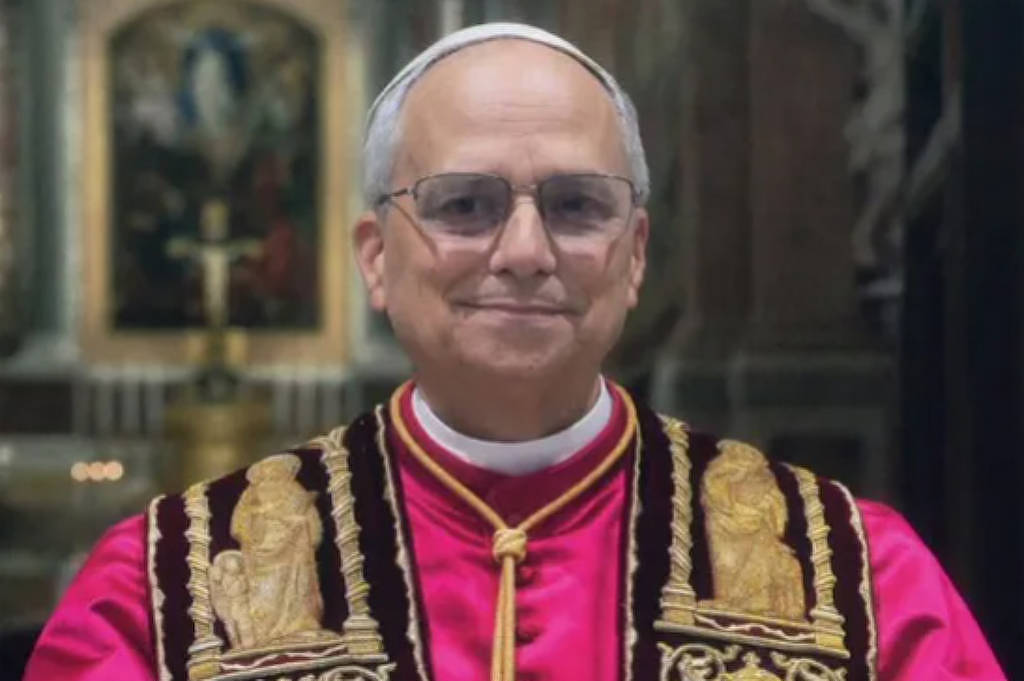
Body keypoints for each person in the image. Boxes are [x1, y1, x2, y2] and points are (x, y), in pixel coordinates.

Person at [24, 22, 1005, 681]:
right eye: (464, 205)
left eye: (577, 206)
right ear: (376, 258)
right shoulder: (163, 595)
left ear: (634, 257)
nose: (525, 253)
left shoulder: (856, 576)